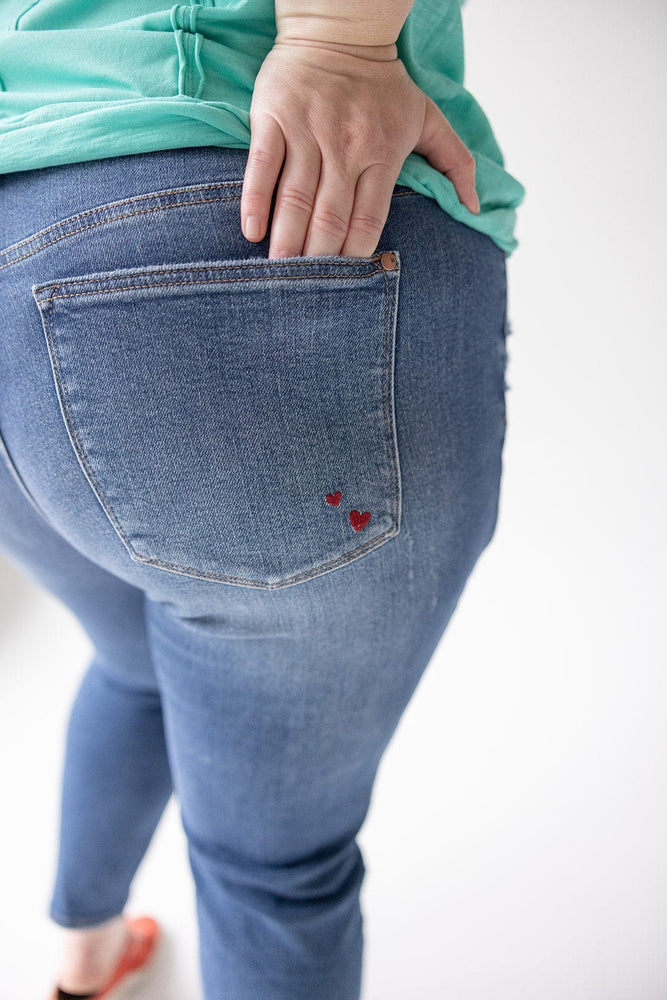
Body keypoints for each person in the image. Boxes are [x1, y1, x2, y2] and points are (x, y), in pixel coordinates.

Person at [0, 0, 525, 997]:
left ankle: (84, 961)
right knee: (273, 871)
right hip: (228, 200)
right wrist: (337, 38)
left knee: (133, 660)